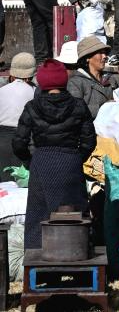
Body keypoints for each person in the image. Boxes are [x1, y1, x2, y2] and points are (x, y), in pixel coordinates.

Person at [13, 59, 97, 249]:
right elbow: (89, 141)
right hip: (70, 161)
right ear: (63, 80)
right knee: (75, 214)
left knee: (38, 216)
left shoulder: (32, 107)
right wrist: (77, 158)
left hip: (42, 162)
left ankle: (36, 257)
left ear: (42, 82)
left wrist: (30, 162)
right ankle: (77, 254)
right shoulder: (78, 105)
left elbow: (18, 143)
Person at [0, 53, 37, 179]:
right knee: (22, 182)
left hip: (2, 141)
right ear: (31, 75)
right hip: (25, 141)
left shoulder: (2, 91)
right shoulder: (34, 92)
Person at [66, 36, 115, 118]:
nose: (104, 56)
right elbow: (76, 112)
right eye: (100, 53)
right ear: (88, 57)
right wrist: (105, 107)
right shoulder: (75, 83)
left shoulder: (110, 79)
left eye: (105, 53)